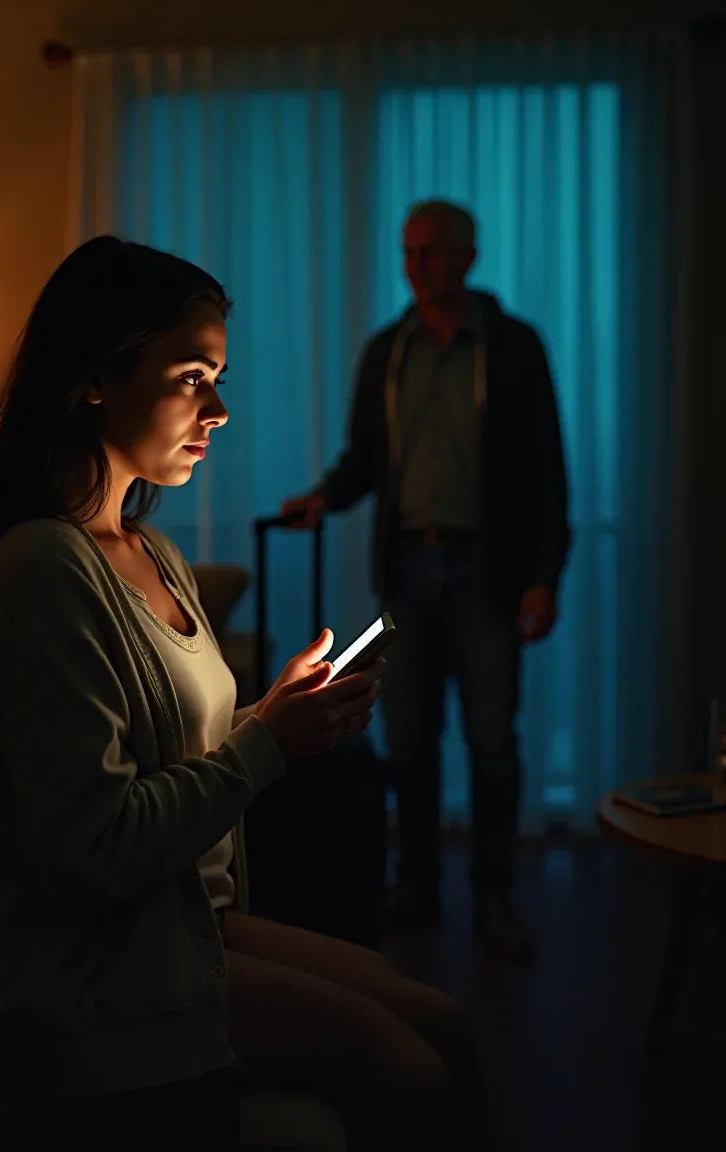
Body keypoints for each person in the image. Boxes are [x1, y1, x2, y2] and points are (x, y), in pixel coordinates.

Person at [0, 235, 492, 1151]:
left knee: (445, 1021)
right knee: (412, 1066)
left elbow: (167, 753)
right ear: (95, 380)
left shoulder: (150, 552)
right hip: (101, 969)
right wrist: (268, 742)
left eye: (218, 377)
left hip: (187, 921)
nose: (220, 409)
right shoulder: (42, 570)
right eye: (193, 377)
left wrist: (271, 713)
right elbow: (93, 846)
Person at [283, 201, 570, 962]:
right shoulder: (389, 351)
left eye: (433, 252)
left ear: (468, 255)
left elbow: (547, 471)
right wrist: (324, 497)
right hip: (408, 567)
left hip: (488, 569)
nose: (417, 267)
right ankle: (414, 886)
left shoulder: (510, 347)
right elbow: (365, 459)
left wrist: (543, 577)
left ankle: (494, 894)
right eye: (408, 253)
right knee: (406, 740)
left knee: (492, 743)